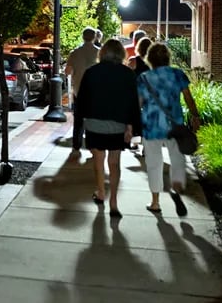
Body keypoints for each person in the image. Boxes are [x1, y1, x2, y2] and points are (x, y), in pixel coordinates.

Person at [75, 38, 142, 218]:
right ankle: (113, 201)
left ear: (102, 53)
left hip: (94, 123)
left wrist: (80, 123)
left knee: (98, 160)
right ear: (121, 54)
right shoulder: (128, 74)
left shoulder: (91, 72)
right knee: (114, 162)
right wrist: (132, 128)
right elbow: (132, 104)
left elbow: (81, 100)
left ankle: (101, 192)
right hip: (117, 124)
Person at [137, 42, 201, 217]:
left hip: (151, 125)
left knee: (153, 162)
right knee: (177, 158)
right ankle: (177, 187)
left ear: (149, 59)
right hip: (175, 126)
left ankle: (155, 202)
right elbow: (188, 98)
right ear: (167, 58)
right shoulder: (178, 74)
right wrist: (195, 116)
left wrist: (132, 124)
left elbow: (139, 103)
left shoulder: (144, 77)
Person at [64, 26, 100, 157]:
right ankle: (93, 146)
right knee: (93, 120)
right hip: (95, 92)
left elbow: (68, 71)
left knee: (78, 121)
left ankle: (76, 146)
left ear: (82, 36)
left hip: (79, 90)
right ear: (95, 37)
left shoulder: (75, 53)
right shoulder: (99, 53)